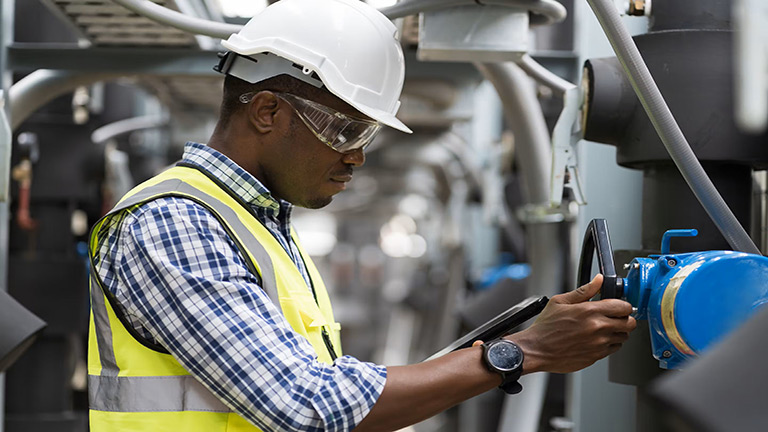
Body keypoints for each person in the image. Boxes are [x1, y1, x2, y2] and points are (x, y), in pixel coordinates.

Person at [87, 0, 637, 431]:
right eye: (345, 130)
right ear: (268, 111)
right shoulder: (173, 224)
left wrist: (512, 343)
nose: (357, 156)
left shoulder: (254, 223)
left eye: (366, 134)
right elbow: (304, 407)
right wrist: (523, 351)